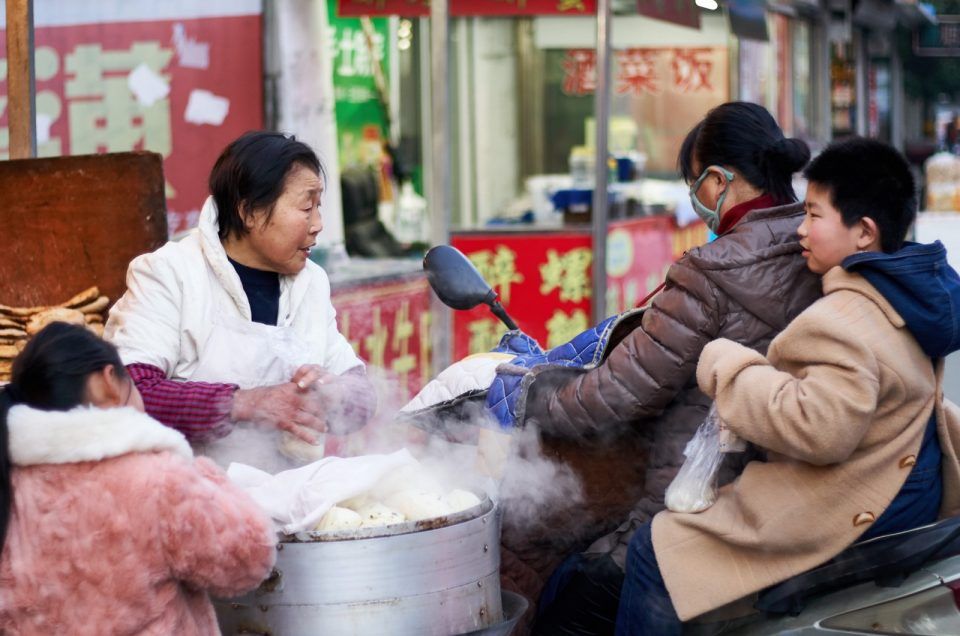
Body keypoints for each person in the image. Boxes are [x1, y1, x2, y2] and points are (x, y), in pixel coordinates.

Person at [616, 137, 960, 635]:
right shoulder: (912, 293)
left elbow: (819, 428)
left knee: (657, 550)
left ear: (864, 232)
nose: (801, 229)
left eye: (815, 216)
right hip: (904, 487)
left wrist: (727, 363)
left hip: (855, 503)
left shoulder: (845, 318)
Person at [530, 102, 822, 633]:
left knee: (565, 601)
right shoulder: (817, 244)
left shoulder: (709, 272)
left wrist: (533, 402)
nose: (695, 197)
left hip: (700, 492)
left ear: (717, 181)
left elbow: (620, 391)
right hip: (785, 492)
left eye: (694, 182)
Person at [105, 131, 374, 469]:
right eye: (307, 207)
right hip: (187, 496)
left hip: (287, 503)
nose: (318, 225)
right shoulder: (170, 272)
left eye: (318, 207)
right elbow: (125, 392)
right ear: (249, 212)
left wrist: (336, 394)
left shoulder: (312, 283)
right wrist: (246, 403)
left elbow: (362, 393)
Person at [0, 322, 276, 634]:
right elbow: (248, 560)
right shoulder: (157, 478)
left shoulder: (10, 480)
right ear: (109, 380)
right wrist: (204, 473)